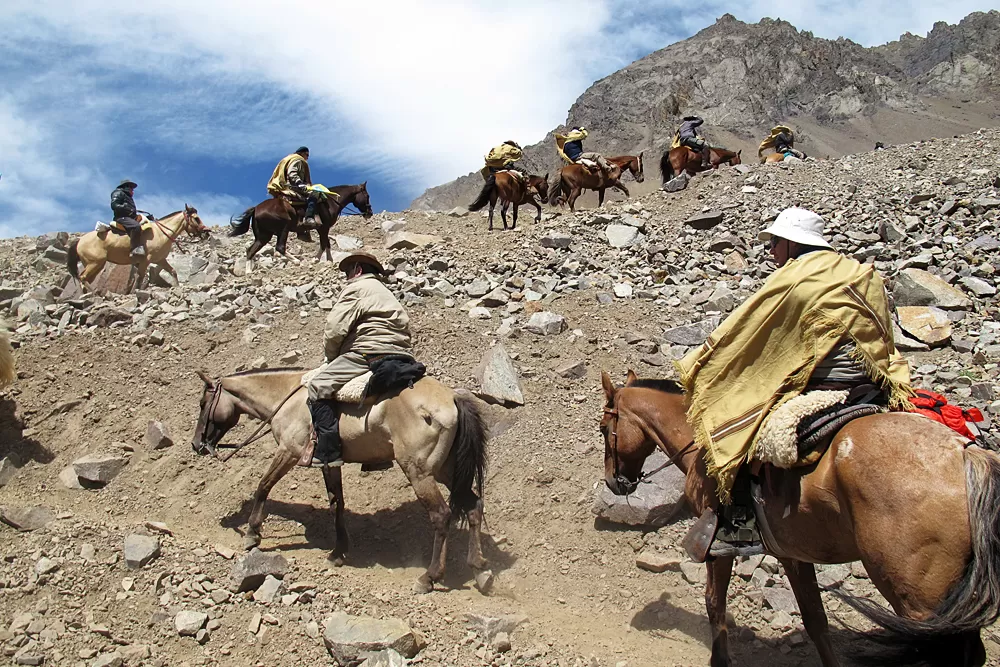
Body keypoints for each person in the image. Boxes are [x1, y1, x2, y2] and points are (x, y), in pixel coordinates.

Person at [676, 207, 913, 559]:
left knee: (743, 431)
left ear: (792, 243)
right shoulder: (861, 273)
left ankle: (740, 525)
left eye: (774, 242)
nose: (771, 250)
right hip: (873, 383)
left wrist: (705, 364)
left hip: (826, 387)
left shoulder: (795, 277)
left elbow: (749, 332)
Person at [306, 251, 413, 467]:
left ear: (358, 270)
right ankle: (375, 456)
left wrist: (332, 357)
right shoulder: (385, 292)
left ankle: (328, 452)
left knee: (318, 386)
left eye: (348, 271)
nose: (346, 276)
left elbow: (335, 329)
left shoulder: (356, 288)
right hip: (402, 353)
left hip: (368, 351)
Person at [267, 146, 318, 227]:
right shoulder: (298, 160)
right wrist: (299, 183)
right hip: (293, 187)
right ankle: (308, 218)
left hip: (287, 186)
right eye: (307, 155)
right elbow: (292, 173)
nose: (307, 157)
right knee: (314, 195)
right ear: (301, 153)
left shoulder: (288, 159)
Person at [110, 179, 146, 258]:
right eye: (131, 188)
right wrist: (124, 207)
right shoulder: (118, 193)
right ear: (126, 187)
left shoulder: (128, 197)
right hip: (121, 217)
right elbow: (114, 205)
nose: (133, 190)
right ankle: (135, 249)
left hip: (129, 217)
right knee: (136, 226)